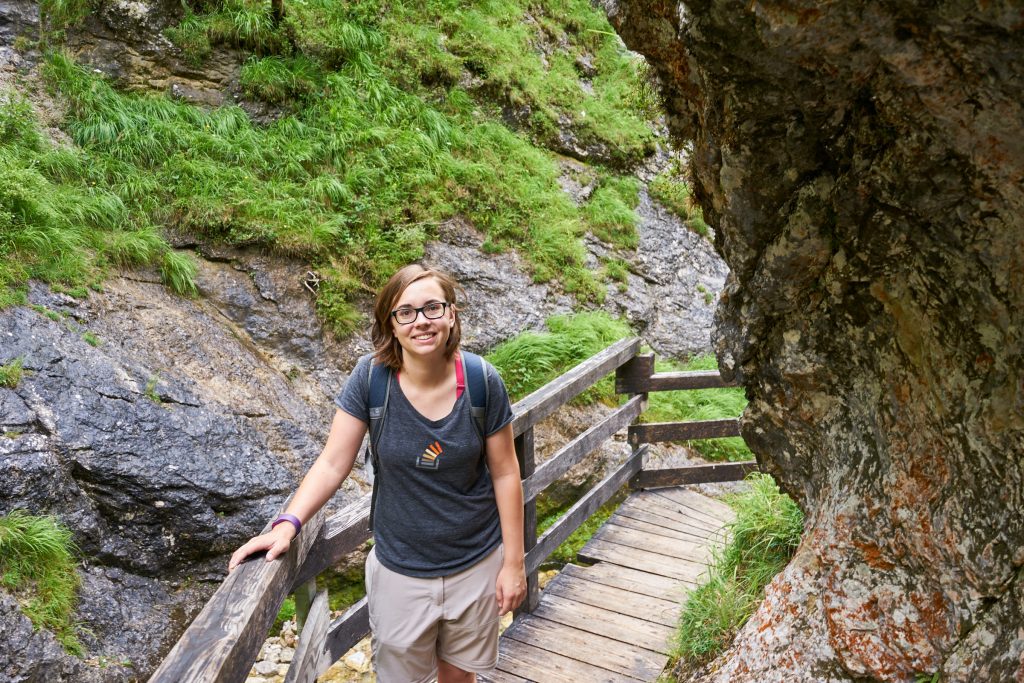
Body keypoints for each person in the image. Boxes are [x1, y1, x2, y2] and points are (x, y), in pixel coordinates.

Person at [229, 264, 526, 683]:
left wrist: (513, 564)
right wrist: (287, 524)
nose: (421, 321)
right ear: (390, 322)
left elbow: (505, 473)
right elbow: (333, 462)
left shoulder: (482, 382)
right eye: (405, 312)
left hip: (475, 566)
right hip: (399, 570)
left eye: (432, 308)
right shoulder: (372, 379)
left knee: (459, 678)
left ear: (451, 314)